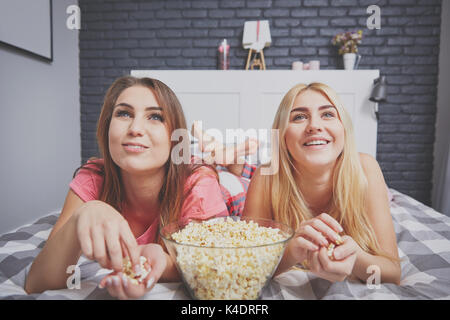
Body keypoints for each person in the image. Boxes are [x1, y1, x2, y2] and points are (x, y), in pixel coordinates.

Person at [24, 76, 255, 299]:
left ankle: (234, 163)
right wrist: (82, 214)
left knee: (241, 178)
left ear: (175, 138)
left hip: (229, 189)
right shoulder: (94, 176)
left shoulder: (198, 183)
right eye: (124, 113)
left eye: (155, 117)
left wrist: (163, 262)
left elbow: (211, 267)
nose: (135, 128)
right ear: (107, 129)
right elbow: (38, 281)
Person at [242, 82, 401, 284]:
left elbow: (393, 272)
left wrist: (355, 259)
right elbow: (246, 269)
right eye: (299, 117)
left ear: (344, 128)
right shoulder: (266, 176)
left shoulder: (366, 168)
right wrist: (291, 252)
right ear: (281, 136)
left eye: (327, 114)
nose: (314, 126)